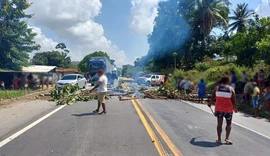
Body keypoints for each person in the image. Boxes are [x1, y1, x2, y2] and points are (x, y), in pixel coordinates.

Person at [208, 76, 237, 145]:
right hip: (228, 110)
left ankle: (219, 139)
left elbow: (212, 98)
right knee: (229, 124)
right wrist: (235, 108)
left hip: (219, 109)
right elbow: (234, 100)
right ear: (227, 81)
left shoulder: (217, 88)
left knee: (219, 124)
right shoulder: (231, 89)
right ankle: (227, 138)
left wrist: (209, 104)